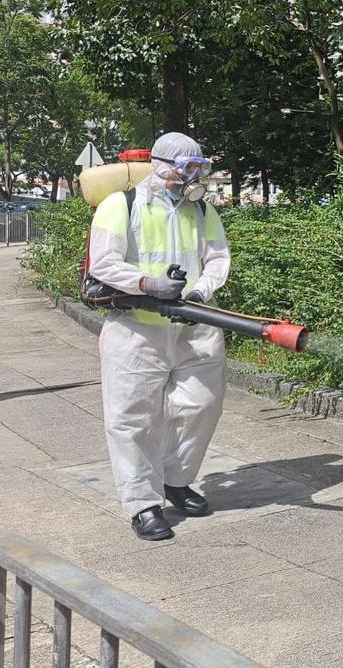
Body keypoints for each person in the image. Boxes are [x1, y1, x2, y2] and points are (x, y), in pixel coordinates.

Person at [86, 132, 231, 541]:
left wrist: (200, 291)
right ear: (162, 166)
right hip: (136, 328)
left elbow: (217, 257)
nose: (192, 176)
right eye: (186, 168)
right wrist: (147, 284)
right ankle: (142, 504)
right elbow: (103, 263)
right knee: (132, 418)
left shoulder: (200, 209)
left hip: (194, 326)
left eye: (199, 168)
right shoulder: (122, 205)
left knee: (202, 405)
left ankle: (175, 479)